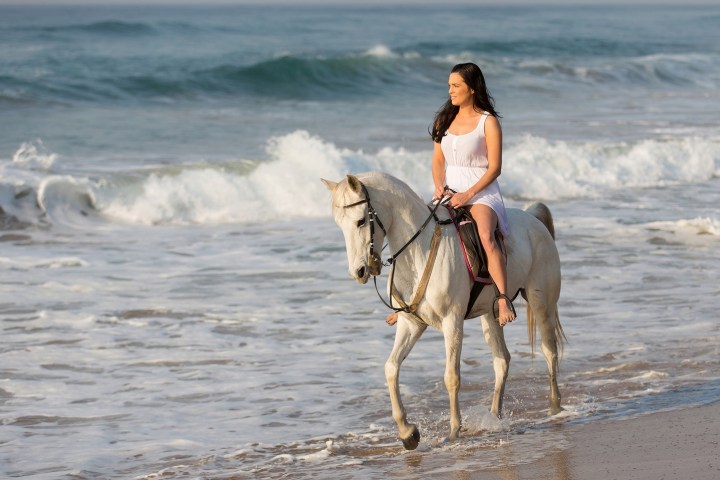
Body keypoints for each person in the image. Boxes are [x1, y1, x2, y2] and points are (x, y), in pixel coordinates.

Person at [431, 62, 515, 327]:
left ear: (471, 88)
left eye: (456, 86)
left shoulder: (487, 122)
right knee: (420, 230)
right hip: (449, 192)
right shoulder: (444, 119)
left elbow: (495, 168)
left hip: (480, 193)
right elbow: (437, 161)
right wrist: (439, 186)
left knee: (486, 236)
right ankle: (408, 301)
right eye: (449, 86)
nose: (451, 91)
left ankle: (502, 297)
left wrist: (467, 195)